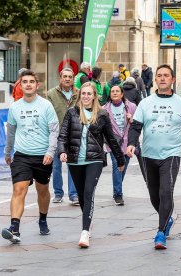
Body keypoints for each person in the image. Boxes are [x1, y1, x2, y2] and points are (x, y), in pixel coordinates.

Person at [127, 64, 181, 250]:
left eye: (166, 75)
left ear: (173, 79)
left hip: (171, 155)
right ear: (155, 79)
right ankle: (167, 218)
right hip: (148, 155)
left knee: (166, 192)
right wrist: (132, 143)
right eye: (159, 76)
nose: (162, 78)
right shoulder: (145, 103)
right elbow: (135, 127)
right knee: (154, 196)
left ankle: (160, 232)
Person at [57, 82, 125, 248]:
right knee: (81, 195)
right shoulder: (72, 113)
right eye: (83, 94)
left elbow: (110, 138)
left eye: (89, 94)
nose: (86, 97)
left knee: (88, 192)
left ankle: (85, 232)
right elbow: (63, 136)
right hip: (74, 160)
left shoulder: (101, 114)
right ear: (80, 96)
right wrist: (62, 151)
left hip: (94, 159)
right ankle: (88, 220)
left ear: (95, 96)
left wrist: (120, 159)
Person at [2, 70, 59, 243]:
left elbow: (54, 131)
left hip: (42, 157)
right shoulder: (14, 107)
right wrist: (7, 152)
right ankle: (14, 229)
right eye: (25, 81)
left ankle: (42, 219)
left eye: (31, 82)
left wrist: (50, 152)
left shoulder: (46, 106)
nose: (28, 84)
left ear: (37, 85)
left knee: (42, 190)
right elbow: (10, 133)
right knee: (19, 190)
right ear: (20, 84)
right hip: (22, 156)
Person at [46, 68, 79, 205]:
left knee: (72, 166)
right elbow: (47, 115)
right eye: (64, 76)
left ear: (73, 79)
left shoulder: (78, 94)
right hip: (56, 135)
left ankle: (73, 194)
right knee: (56, 167)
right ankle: (58, 193)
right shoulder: (51, 94)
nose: (67, 79)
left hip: (73, 135)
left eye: (70, 77)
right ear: (60, 78)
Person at [102, 84, 137, 205]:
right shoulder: (104, 109)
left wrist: (131, 119)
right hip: (113, 143)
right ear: (110, 95)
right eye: (112, 91)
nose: (115, 93)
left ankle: (117, 189)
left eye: (117, 91)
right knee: (117, 166)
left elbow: (137, 125)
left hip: (127, 142)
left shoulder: (131, 107)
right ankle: (118, 194)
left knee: (123, 168)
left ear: (122, 94)